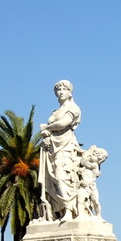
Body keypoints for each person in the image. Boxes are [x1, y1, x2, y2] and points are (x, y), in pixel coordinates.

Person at [38, 79, 84, 221]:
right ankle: (56, 213)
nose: (61, 92)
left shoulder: (73, 108)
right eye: (58, 90)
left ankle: (69, 210)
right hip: (51, 147)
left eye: (64, 89)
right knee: (51, 181)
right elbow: (54, 127)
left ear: (70, 92)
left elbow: (63, 124)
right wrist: (46, 135)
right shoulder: (55, 111)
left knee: (61, 175)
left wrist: (46, 128)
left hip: (65, 145)